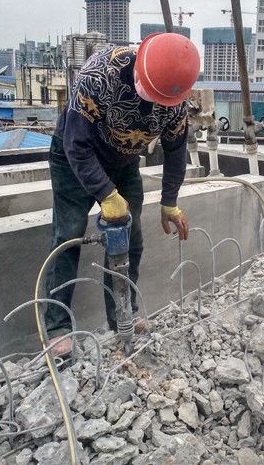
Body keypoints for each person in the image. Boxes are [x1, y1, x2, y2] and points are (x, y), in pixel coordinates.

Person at [46, 33, 199, 356]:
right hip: (75, 157)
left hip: (123, 159)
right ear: (139, 66)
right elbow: (76, 145)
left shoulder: (176, 101)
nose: (156, 103)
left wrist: (169, 200)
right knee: (68, 235)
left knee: (131, 239)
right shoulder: (98, 76)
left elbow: (175, 150)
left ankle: (121, 317)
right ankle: (57, 326)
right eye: (152, 93)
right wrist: (105, 194)